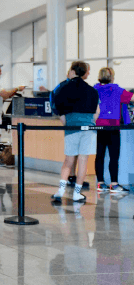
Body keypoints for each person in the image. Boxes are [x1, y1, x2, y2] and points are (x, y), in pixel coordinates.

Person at [52, 61, 99, 203]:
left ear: (73, 71)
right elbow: (97, 112)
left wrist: (67, 123)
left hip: (72, 126)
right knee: (83, 160)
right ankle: (77, 193)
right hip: (89, 128)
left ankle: (60, 191)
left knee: (69, 160)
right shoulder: (92, 90)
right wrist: (90, 123)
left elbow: (58, 109)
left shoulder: (63, 88)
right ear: (84, 72)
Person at [93, 67, 133, 193]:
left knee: (99, 154)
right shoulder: (117, 89)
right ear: (111, 77)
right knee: (113, 156)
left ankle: (100, 183)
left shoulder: (94, 90)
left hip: (98, 125)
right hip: (113, 126)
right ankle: (114, 184)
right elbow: (132, 98)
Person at [0, 64, 25, 166]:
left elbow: (4, 96)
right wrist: (17, 88)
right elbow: (5, 94)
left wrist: (13, 92)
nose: (1, 73)